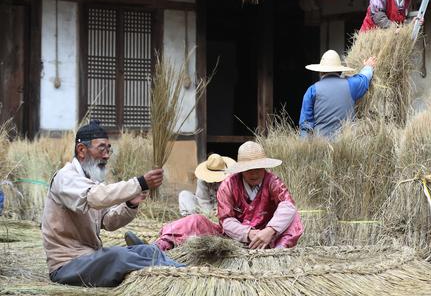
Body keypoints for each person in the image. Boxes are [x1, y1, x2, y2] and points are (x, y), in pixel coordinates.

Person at [41, 120, 183, 287]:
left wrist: (130, 204)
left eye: (109, 149)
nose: (107, 155)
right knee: (118, 256)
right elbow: (96, 197)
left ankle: (181, 271)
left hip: (91, 258)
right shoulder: (65, 178)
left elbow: (108, 222)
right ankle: (176, 274)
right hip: (68, 265)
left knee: (149, 250)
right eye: (101, 148)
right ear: (81, 150)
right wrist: (140, 183)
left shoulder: (91, 180)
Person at [150, 141, 303, 251]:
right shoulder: (229, 184)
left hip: (268, 237)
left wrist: (270, 230)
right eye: (249, 168)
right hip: (233, 237)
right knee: (196, 221)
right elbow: (226, 221)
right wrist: (248, 233)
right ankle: (161, 245)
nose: (254, 173)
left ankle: (279, 252)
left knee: (294, 217)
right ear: (241, 169)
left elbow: (287, 205)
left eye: (258, 168)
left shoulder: (272, 181)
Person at [299, 50, 377, 138]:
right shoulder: (351, 85)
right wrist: (368, 66)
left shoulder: (312, 90)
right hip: (347, 147)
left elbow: (305, 126)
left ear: (320, 72)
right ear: (340, 71)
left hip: (321, 147)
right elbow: (364, 78)